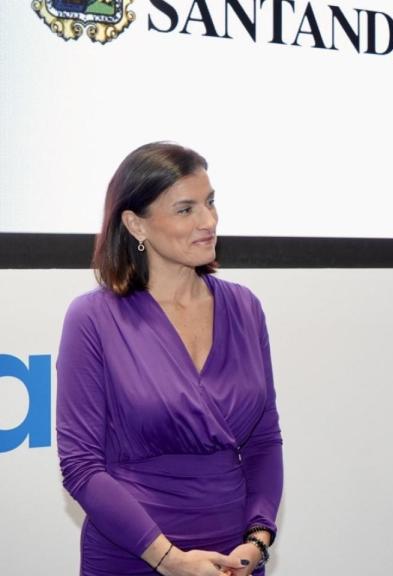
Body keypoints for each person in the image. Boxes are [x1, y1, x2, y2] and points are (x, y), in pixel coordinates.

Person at [56, 142, 283, 576]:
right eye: (186, 209)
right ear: (135, 224)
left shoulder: (245, 307)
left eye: (211, 202)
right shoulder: (93, 318)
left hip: (233, 560)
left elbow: (264, 439)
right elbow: (81, 466)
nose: (209, 221)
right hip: (133, 557)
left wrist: (257, 539)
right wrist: (170, 560)